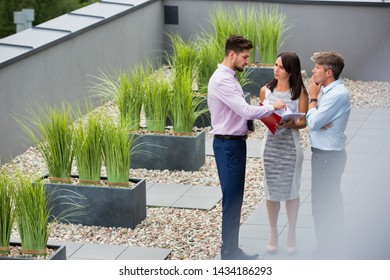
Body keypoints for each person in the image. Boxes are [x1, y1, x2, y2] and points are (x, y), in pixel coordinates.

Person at [208, 34, 286, 260]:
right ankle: (229, 252)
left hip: (233, 145)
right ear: (231, 54)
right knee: (232, 200)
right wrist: (272, 106)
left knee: (235, 198)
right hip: (228, 146)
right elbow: (244, 110)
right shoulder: (222, 79)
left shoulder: (229, 76)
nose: (247, 61)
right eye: (244, 56)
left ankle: (232, 249)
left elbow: (239, 110)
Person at [259, 52, 308, 255]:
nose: (276, 69)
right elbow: (262, 115)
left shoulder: (300, 93)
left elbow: (304, 122)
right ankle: (273, 232)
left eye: (280, 66)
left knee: (291, 191)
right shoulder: (265, 91)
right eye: (275, 65)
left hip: (291, 148)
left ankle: (292, 233)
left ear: (290, 70)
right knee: (271, 192)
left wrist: (290, 124)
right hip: (270, 147)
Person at [306, 51, 351, 259]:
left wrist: (313, 99)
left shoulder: (335, 94)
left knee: (322, 206)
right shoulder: (330, 91)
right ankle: (333, 247)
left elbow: (313, 123)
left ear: (328, 72)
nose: (313, 71)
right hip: (325, 156)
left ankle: (326, 251)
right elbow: (317, 122)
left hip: (327, 157)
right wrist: (317, 115)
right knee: (330, 202)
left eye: (317, 68)